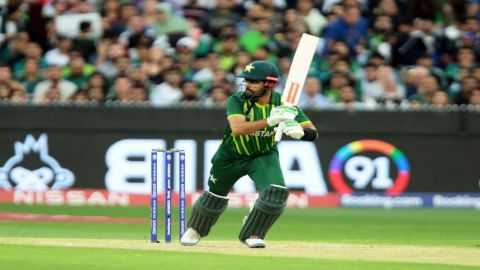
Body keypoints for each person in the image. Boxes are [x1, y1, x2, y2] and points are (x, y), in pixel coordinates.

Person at [180, 61, 318, 248]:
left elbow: (313, 133)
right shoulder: (237, 100)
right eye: (247, 81)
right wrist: (271, 120)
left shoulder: (285, 104)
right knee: (215, 195)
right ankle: (195, 229)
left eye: (254, 82)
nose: (247, 85)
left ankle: (253, 232)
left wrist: (300, 133)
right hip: (231, 156)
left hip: (263, 155)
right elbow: (238, 128)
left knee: (276, 193)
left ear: (269, 84)